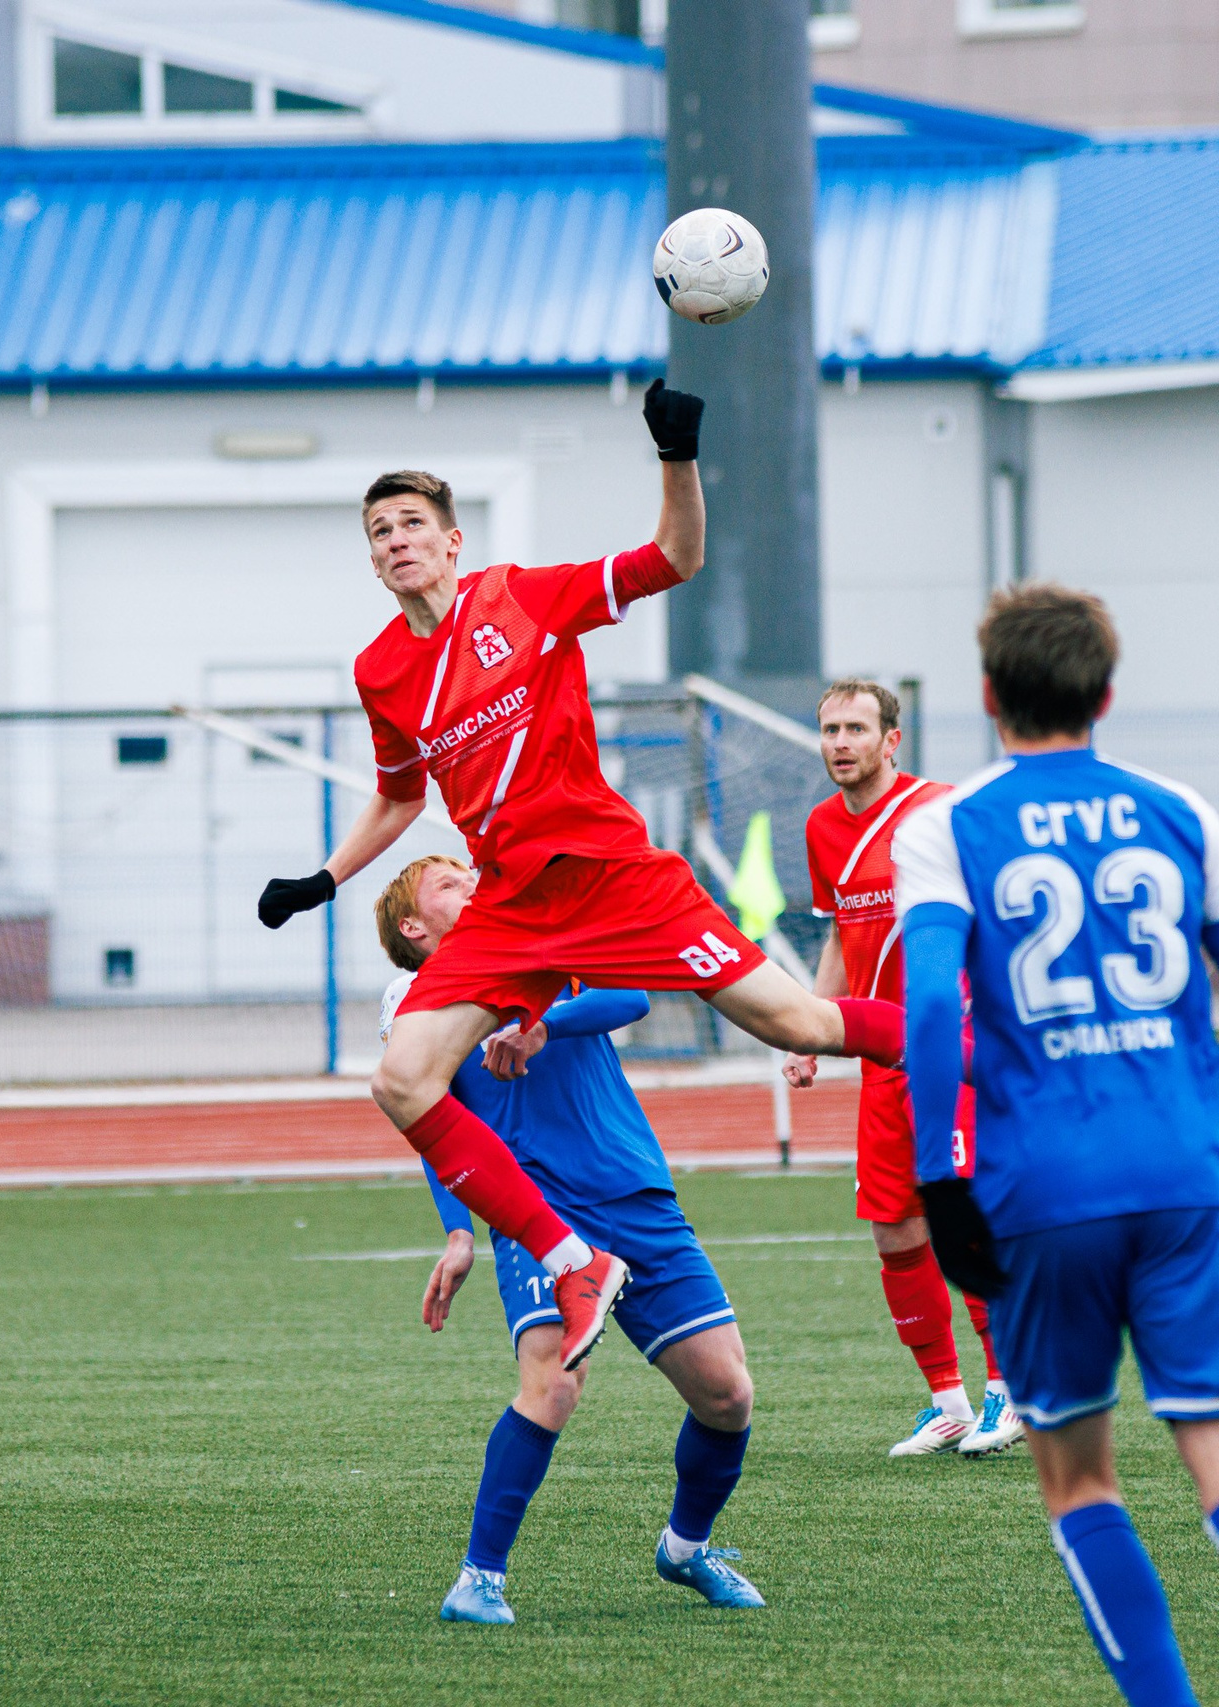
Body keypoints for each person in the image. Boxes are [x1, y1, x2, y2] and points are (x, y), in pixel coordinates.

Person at [257, 382, 907, 1373]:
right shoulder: (380, 670)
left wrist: (675, 453)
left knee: (798, 1023)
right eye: (378, 529)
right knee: (401, 1077)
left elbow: (675, 560)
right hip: (509, 905)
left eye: (412, 524)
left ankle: (989, 1045)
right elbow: (396, 797)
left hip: (611, 878)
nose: (395, 540)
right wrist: (322, 878)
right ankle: (568, 1261)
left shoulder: (520, 596)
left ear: (452, 541)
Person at [892, 587, 1219, 1707]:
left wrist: (939, 1177)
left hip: (1041, 1187)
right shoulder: (1178, 808)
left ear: (988, 696)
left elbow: (930, 1011)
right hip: (1184, 1177)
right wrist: (1198, 1111)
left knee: (1078, 1479)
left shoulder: (944, 825)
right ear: (1105, 694)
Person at [378, 855, 763, 1625]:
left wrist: (540, 1021)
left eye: (468, 871)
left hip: (633, 1187)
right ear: (413, 929)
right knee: (553, 1381)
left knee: (727, 1394)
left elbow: (631, 992)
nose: (471, 881)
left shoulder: (550, 937)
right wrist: (458, 1230)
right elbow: (431, 1123)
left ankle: (686, 1549)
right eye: (448, 883)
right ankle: (478, 1578)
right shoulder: (415, 1001)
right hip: (538, 1212)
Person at [782, 680, 1015, 1459]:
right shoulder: (819, 827)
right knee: (893, 1226)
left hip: (951, 1048)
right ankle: (946, 1401)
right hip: (879, 1054)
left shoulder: (943, 811)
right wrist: (809, 1027)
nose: (840, 742)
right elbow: (838, 937)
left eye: (856, 728)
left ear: (892, 740)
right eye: (829, 729)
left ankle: (1010, 1389)